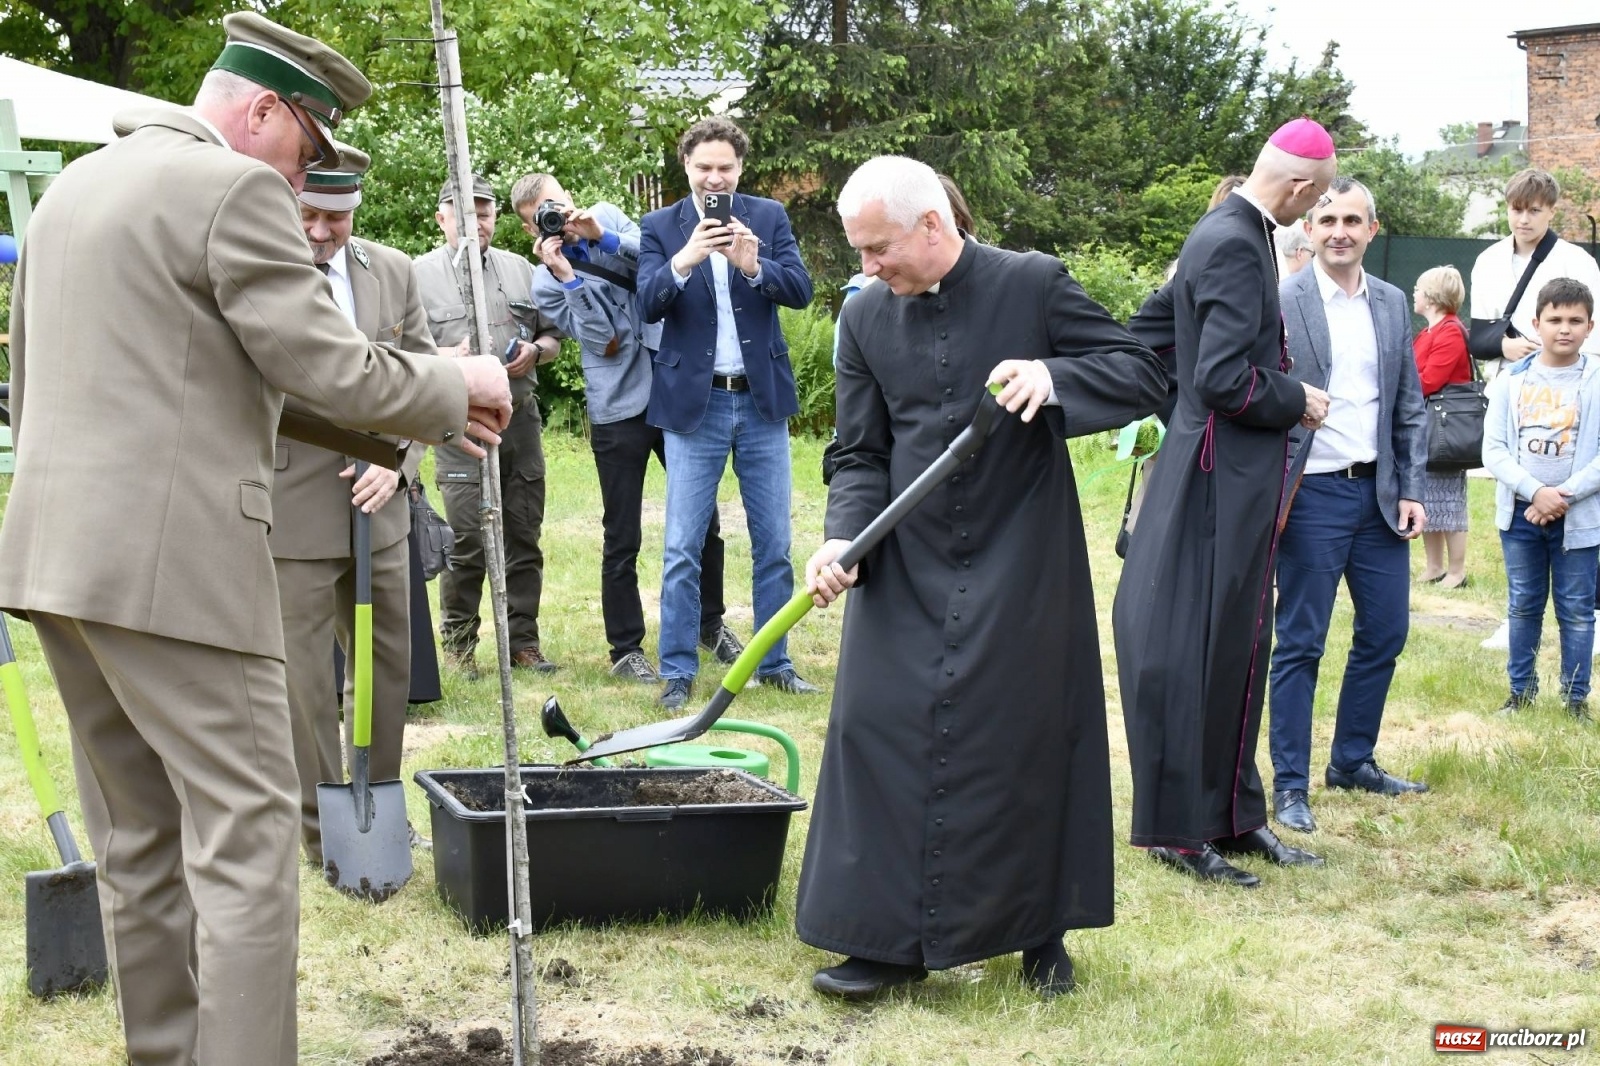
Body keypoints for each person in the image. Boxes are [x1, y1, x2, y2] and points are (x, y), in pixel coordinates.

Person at [0, 13, 512, 1062]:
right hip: (177, 565)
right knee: (246, 838)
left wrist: (419, 415)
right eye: (308, 151)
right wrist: (454, 380)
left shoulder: (74, 192)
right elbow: (325, 363)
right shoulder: (229, 188)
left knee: (138, 838)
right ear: (263, 111)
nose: (304, 180)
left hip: (59, 561)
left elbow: (219, 376)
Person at [798, 155, 1167, 1000]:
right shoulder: (864, 321)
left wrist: (1056, 374)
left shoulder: (1032, 285)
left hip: (1020, 551)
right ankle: (881, 939)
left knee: (1024, 736)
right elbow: (859, 452)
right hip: (904, 555)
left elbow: (1145, 373)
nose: (867, 268)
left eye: (878, 248)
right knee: (877, 729)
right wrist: (841, 539)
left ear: (934, 227)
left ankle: (1038, 930)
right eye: (858, 252)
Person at [1115, 118, 1335, 889]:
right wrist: (1296, 398)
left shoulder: (1225, 228)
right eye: (1320, 197)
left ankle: (1235, 817)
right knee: (1199, 647)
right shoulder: (1238, 240)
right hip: (1216, 474)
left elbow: (1154, 330)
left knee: (1241, 643)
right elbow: (1221, 379)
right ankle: (1182, 829)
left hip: (1221, 472)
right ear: (1302, 188)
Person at [516, 172, 745, 681]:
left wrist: (599, 237)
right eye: (542, 217)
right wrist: (569, 278)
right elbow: (605, 340)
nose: (557, 217)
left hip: (672, 388)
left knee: (703, 518)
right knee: (622, 532)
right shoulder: (543, 283)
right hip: (617, 405)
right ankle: (625, 648)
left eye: (559, 204)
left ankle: (711, 624)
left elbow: (667, 261)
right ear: (531, 227)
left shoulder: (610, 220)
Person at [274, 146, 432, 862]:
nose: (318, 231)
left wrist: (398, 463)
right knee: (304, 678)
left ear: (355, 210)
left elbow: (425, 379)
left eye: (333, 218)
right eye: (307, 213)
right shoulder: (265, 267)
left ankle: (378, 806)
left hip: (381, 508)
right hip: (293, 505)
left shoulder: (391, 271)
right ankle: (317, 827)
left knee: (386, 662)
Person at [1268, 177, 1430, 837]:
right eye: (1326, 218)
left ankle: (1353, 761)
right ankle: (1290, 787)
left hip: (1380, 496)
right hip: (1312, 497)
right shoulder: (1282, 302)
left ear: (1372, 228)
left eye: (1352, 220)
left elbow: (1409, 405)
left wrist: (1413, 486)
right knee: (1300, 642)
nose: (1339, 230)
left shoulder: (1392, 304)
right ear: (1309, 229)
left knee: (1386, 633)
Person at [637, 116, 817, 709]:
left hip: (761, 402)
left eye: (726, 167)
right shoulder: (662, 226)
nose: (715, 176)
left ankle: (774, 662)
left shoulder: (766, 217)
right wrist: (685, 259)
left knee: (774, 543)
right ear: (685, 166)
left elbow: (799, 290)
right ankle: (679, 670)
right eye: (704, 167)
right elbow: (648, 304)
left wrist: (753, 267)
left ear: (740, 169)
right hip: (696, 404)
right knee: (682, 545)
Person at [415, 175, 564, 677]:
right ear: (441, 219)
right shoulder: (415, 276)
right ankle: (459, 648)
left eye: (484, 212)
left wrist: (535, 352)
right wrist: (442, 358)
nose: (475, 222)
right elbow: (396, 353)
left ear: (495, 219)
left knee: (524, 533)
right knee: (466, 540)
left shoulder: (522, 270)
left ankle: (524, 642)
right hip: (458, 427)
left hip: (521, 422)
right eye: (463, 212)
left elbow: (552, 336)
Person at [1470, 169, 1600, 651]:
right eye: (1516, 209)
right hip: (1514, 387)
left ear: (1551, 210)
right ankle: (1518, 616)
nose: (1524, 219)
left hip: (1573, 391)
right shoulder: (1487, 260)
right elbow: (1479, 332)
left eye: (1534, 210)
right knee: (1520, 492)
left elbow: (1590, 331)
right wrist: (1506, 348)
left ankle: (1589, 610)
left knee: (1580, 502)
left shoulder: (1577, 261)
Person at [1482, 278, 1600, 722]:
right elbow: (1492, 449)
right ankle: (1520, 694)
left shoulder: (1596, 380)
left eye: (1575, 321)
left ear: (1590, 326)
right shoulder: (1511, 380)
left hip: (1579, 518)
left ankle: (1575, 701)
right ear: (1537, 323)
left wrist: (1560, 497)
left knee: (1576, 610)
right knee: (1524, 604)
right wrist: (1535, 493)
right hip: (1520, 514)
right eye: (1555, 319)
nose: (1564, 329)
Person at [1413, 265, 1474, 588]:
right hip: (1430, 427)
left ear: (1432, 296)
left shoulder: (1450, 332)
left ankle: (1456, 570)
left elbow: (1429, 380)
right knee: (1429, 498)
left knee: (1450, 500)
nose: (1415, 294)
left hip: (1444, 429)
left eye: (1419, 288)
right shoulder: (1429, 332)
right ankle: (1435, 566)